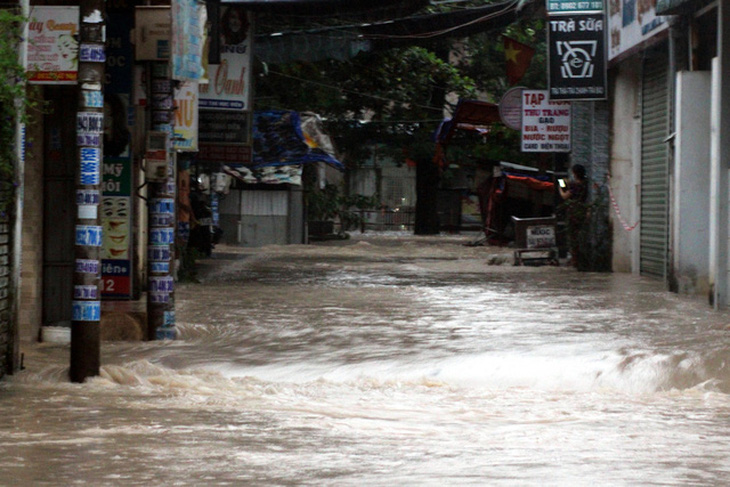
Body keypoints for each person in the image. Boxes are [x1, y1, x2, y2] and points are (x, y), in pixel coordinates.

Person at [558, 164, 588, 267]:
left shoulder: (575, 186)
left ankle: (575, 260)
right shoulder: (584, 183)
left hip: (573, 213)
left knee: (572, 237)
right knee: (579, 236)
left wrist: (560, 189)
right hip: (581, 212)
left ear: (575, 174)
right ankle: (577, 259)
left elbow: (565, 196)